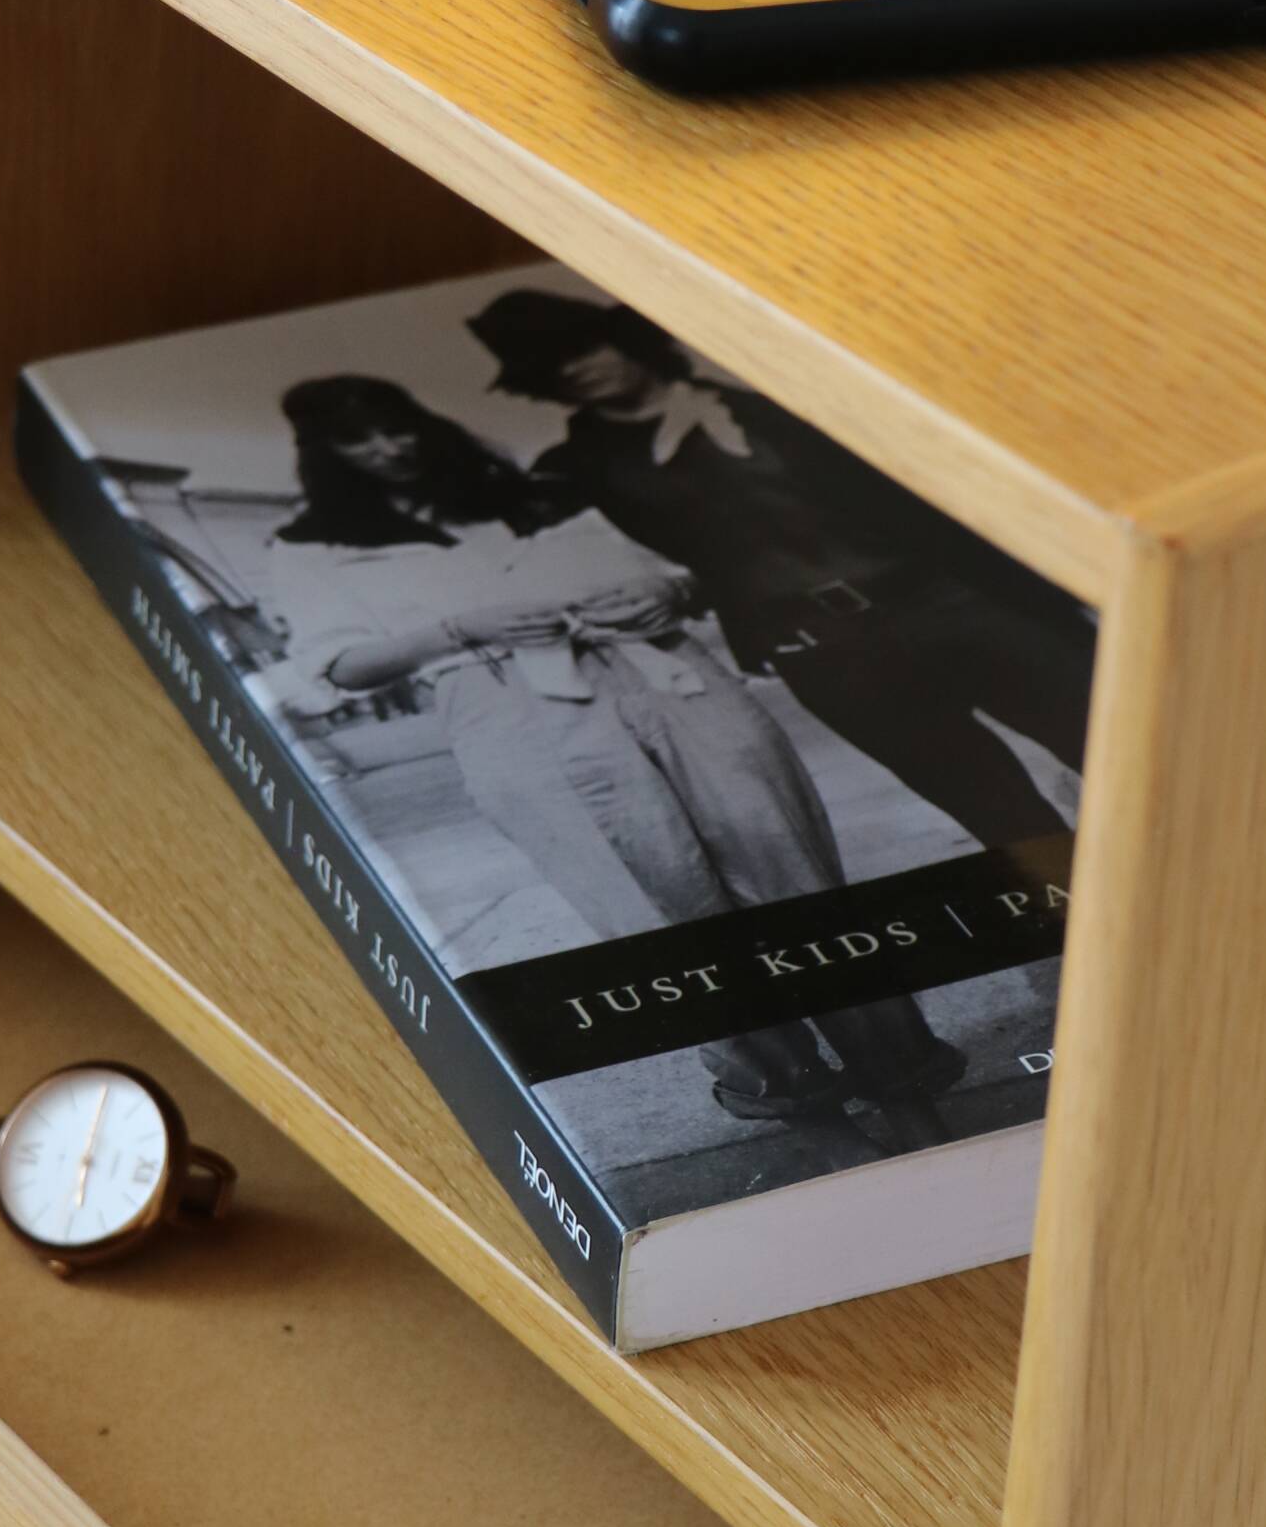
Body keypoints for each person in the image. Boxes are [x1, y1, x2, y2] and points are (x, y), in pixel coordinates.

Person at [266, 375, 963, 1146]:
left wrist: (669, 592)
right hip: (507, 704)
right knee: (657, 920)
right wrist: (458, 629)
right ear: (324, 456)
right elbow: (337, 668)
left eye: (396, 427)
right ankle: (801, 1105)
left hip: (669, 674)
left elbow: (681, 572)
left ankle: (902, 1084)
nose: (385, 448)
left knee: (795, 883)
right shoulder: (310, 547)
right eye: (357, 440)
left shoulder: (536, 492)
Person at [464, 291, 1094, 853]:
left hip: (959, 604)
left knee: (1121, 757)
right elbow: (499, 528)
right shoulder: (578, 468)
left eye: (581, 347)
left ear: (626, 338)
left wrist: (1054, 599)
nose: (575, 368)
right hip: (826, 650)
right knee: (1001, 816)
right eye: (549, 366)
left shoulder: (775, 405)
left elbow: (945, 499)